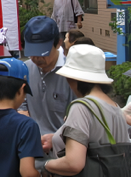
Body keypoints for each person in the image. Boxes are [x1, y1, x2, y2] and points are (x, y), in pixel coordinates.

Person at [40, 44, 131, 175]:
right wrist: (57, 137)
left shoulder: (81, 107)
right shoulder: (115, 107)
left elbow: (73, 163)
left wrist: (45, 165)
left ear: (73, 78)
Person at [18, 16, 76, 139]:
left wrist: (56, 139)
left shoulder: (72, 74)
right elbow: (21, 103)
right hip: (31, 143)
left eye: (42, 52)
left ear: (58, 42)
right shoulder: (25, 69)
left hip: (64, 147)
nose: (36, 58)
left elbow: (79, 119)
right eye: (32, 52)